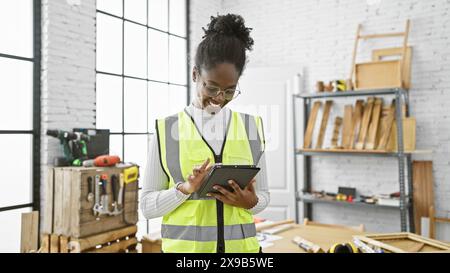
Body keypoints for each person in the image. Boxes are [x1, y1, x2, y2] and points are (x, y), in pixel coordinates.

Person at [141, 13, 270, 253]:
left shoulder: (252, 128)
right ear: (195, 75)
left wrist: (250, 202)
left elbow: (263, 196)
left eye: (230, 91)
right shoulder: (166, 130)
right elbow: (147, 206)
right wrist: (184, 190)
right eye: (211, 87)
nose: (219, 99)